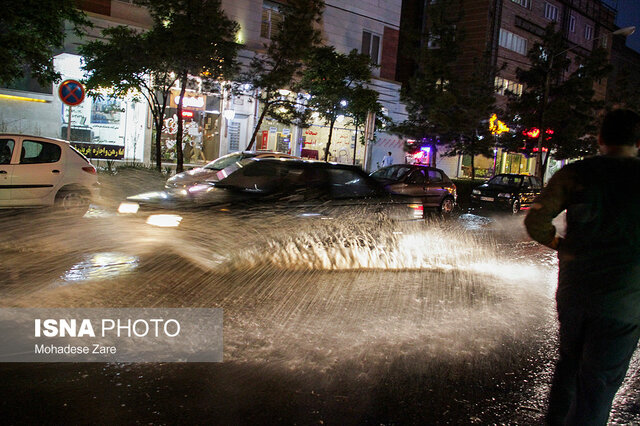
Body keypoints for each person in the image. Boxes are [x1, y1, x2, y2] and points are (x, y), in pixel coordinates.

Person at [524, 109, 640, 426]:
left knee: (569, 368)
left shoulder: (575, 174)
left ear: (601, 138)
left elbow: (535, 221)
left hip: (575, 293)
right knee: (597, 387)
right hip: (624, 301)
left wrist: (562, 246)